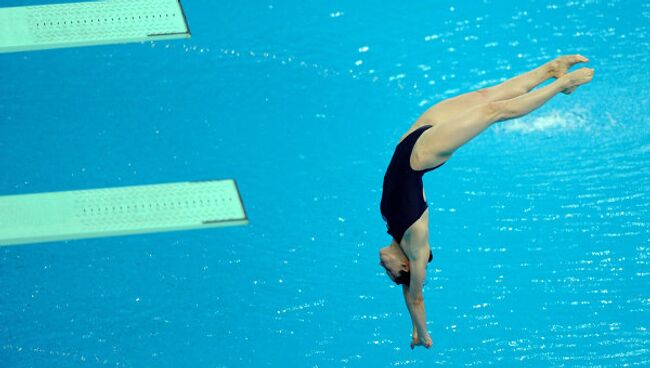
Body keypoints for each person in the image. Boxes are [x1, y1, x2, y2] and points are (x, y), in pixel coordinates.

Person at [378, 55, 594, 349]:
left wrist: (415, 329)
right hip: (423, 154)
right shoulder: (417, 247)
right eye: (389, 272)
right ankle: (564, 84)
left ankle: (549, 70)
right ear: (405, 265)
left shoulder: (393, 230)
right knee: (494, 111)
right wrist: (423, 334)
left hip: (411, 140)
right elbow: (414, 295)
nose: (382, 266)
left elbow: (408, 295)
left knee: (486, 95)